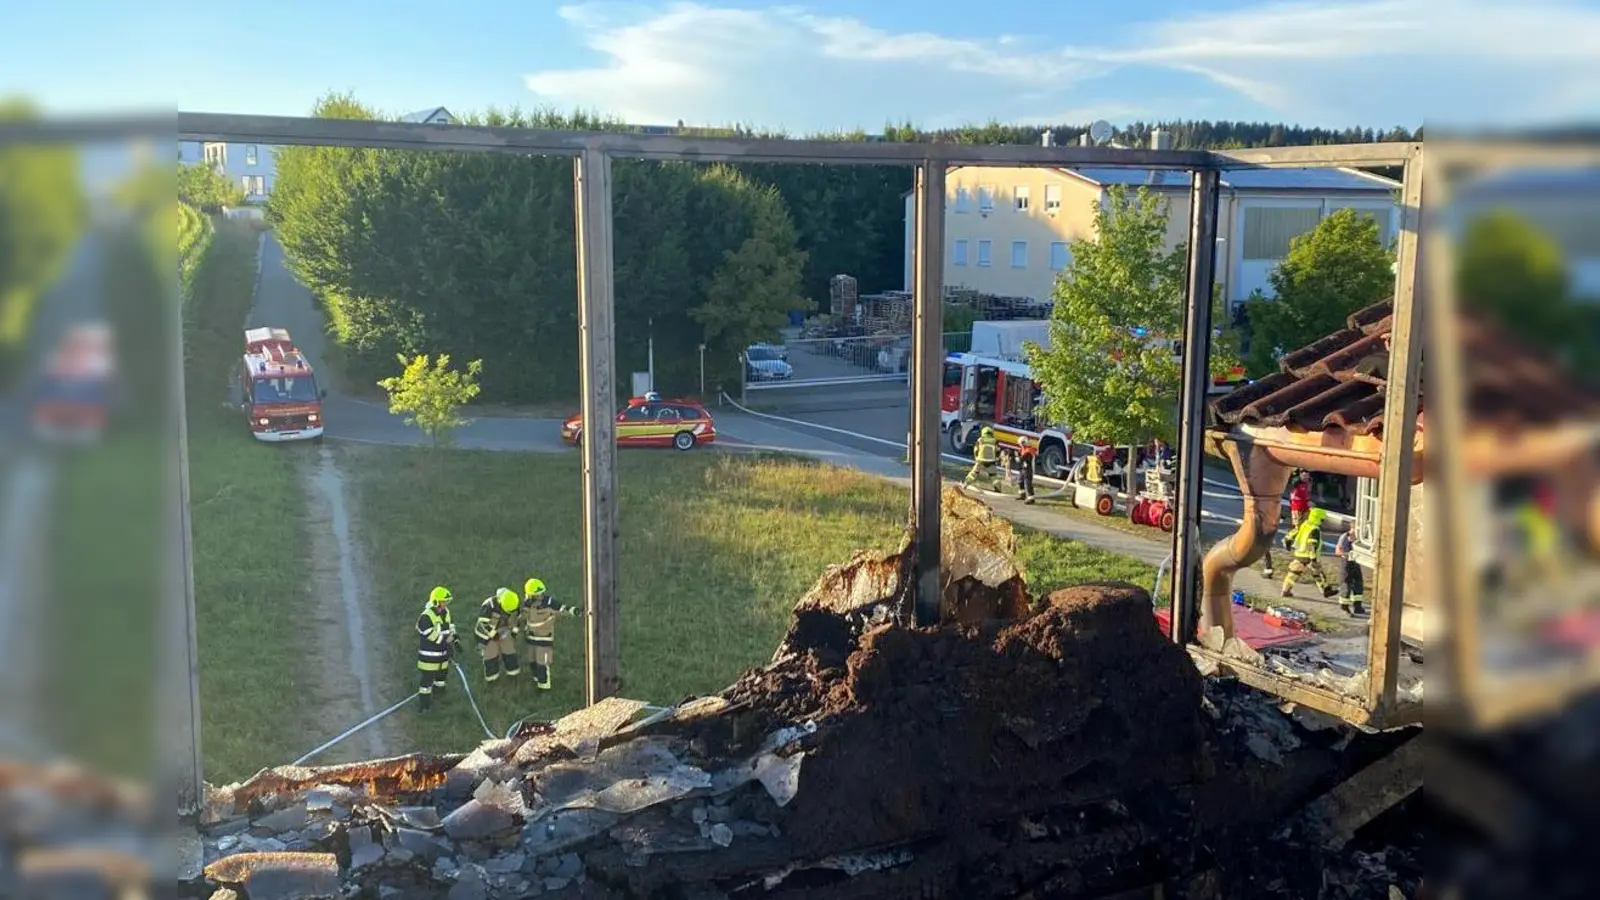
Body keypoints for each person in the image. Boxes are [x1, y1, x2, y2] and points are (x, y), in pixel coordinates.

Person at [521, 578, 580, 690]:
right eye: (537, 594)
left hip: (544, 638)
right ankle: (536, 678)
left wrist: (574, 611)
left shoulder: (549, 602)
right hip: (531, 637)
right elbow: (524, 616)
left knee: (542, 663)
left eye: (541, 593)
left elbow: (562, 608)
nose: (540, 596)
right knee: (532, 661)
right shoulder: (526, 603)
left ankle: (543, 687)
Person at [415, 586, 461, 712]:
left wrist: (455, 640)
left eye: (447, 602)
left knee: (441, 679)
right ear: (436, 601)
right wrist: (446, 643)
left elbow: (450, 627)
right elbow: (430, 635)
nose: (446, 604)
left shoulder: (446, 612)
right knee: (427, 682)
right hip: (429, 657)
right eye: (443, 602)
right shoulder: (426, 616)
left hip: (442, 656)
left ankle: (440, 701)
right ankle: (424, 706)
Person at [1262, 470, 1313, 578]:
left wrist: (1309, 502)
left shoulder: (1307, 484)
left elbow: (1307, 494)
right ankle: (1287, 539)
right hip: (1297, 508)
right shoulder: (1297, 483)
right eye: (1304, 475)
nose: (1305, 477)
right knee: (1298, 527)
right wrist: (1304, 501)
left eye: (1307, 476)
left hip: (1306, 508)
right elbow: (1294, 497)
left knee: (1304, 527)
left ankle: (1293, 541)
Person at [473, 587, 525, 684]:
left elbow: (516, 620)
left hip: (504, 630)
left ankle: (513, 673)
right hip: (487, 635)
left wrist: (514, 633)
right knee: (491, 655)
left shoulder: (513, 604)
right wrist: (494, 635)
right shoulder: (489, 605)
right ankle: (492, 679)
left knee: (509, 651)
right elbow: (484, 624)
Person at [1281, 507, 1335, 598]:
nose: (1323, 522)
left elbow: (1292, 533)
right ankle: (1326, 591)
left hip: (1299, 553)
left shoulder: (1304, 524)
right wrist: (1313, 559)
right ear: (1319, 519)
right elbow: (1312, 545)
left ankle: (1285, 590)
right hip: (1309, 556)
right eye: (1322, 519)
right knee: (1318, 573)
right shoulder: (1315, 529)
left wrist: (1287, 543)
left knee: (1293, 573)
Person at [1334, 529, 1366, 616]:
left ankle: (1357, 606)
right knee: (1346, 586)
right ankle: (1344, 608)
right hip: (1346, 563)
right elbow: (1337, 551)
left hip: (1356, 563)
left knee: (1358, 584)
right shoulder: (1344, 537)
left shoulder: (1361, 537)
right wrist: (1347, 554)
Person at [1013, 435, 1037, 503]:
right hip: (1023, 468)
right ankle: (1022, 495)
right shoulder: (1022, 449)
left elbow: (1025, 458)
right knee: (1020, 481)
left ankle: (1031, 498)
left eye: (1021, 444)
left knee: (1028, 483)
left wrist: (1019, 458)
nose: (1021, 445)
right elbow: (1019, 454)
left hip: (1028, 469)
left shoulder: (1029, 450)